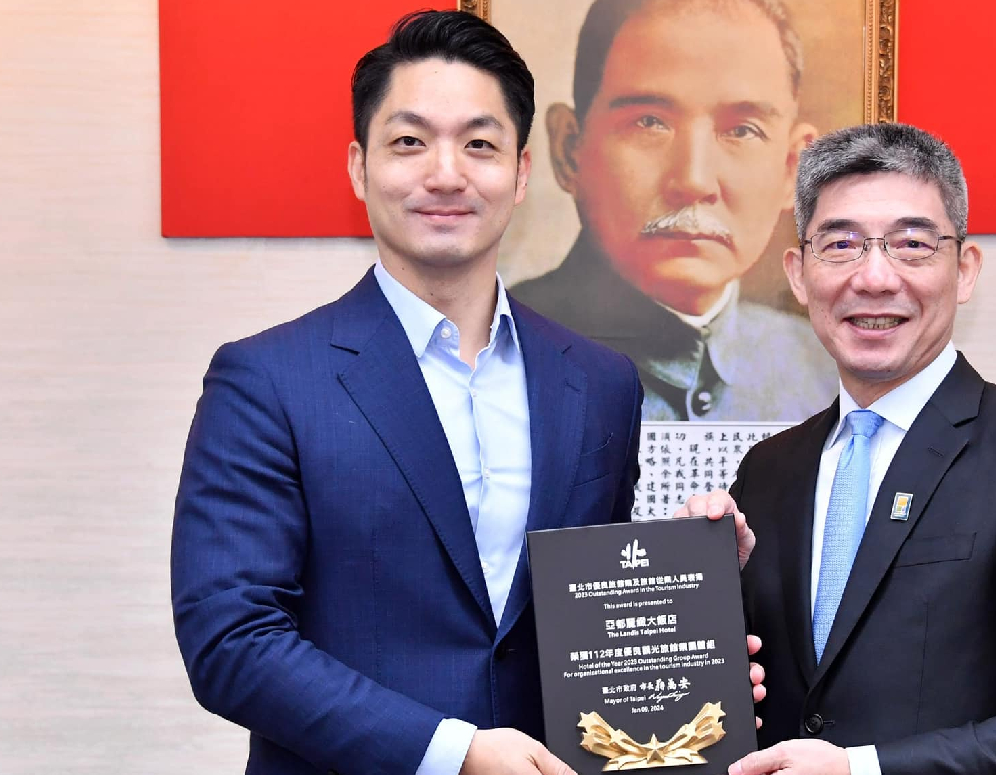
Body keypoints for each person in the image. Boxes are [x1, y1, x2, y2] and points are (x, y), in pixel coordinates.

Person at [171, 11, 756, 775]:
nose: (446, 174)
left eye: (479, 144)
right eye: (409, 142)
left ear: (520, 173)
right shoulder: (268, 379)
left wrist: (686, 589)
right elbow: (231, 640)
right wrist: (454, 752)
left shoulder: (600, 382)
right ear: (359, 167)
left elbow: (585, 623)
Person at [679, 123, 996, 774]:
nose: (874, 277)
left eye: (912, 245)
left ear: (965, 269)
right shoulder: (769, 470)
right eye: (840, 245)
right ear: (799, 274)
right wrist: (701, 588)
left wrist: (861, 769)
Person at [511, 0, 834, 421]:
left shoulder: (826, 371)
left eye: (742, 130)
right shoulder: (498, 348)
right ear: (570, 150)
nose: (694, 181)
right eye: (649, 122)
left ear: (793, 169)